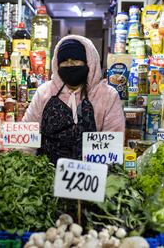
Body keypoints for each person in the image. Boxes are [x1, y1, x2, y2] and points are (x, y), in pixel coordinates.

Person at [23, 35, 125, 164]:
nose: (70, 65)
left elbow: (113, 143)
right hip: (46, 176)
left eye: (76, 60)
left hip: (91, 178)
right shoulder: (44, 92)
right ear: (57, 64)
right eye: (65, 61)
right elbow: (27, 137)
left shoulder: (108, 96)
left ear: (89, 62)